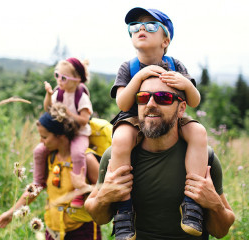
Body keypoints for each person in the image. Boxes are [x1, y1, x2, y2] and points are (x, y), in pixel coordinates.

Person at [85, 70, 235, 239]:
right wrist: (103, 198)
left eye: (163, 97)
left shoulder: (204, 159)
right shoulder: (116, 156)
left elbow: (221, 231)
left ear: (181, 109)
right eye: (142, 98)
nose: (150, 104)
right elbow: (98, 217)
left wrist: (215, 205)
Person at [109, 7, 208, 239]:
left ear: (166, 40)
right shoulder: (128, 67)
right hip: (135, 117)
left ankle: (192, 202)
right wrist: (140, 78)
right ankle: (124, 210)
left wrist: (185, 84)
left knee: (199, 132)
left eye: (150, 25)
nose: (141, 28)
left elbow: (194, 101)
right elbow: (123, 104)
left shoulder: (175, 65)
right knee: (120, 138)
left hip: (169, 116)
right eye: (135, 26)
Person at [0, 103, 101, 240]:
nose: (41, 141)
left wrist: (84, 188)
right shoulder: (50, 157)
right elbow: (36, 188)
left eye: (44, 137)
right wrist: (11, 212)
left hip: (82, 231)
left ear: (60, 136)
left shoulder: (87, 159)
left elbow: (106, 192)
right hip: (53, 229)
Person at [34, 57, 93, 208]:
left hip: (79, 133)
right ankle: (38, 182)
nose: (59, 81)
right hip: (63, 133)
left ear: (77, 79)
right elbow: (48, 109)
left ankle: (79, 190)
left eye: (64, 78)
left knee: (78, 153)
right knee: (40, 150)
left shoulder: (81, 96)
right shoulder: (58, 93)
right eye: (57, 76)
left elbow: (84, 120)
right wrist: (48, 95)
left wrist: (69, 113)